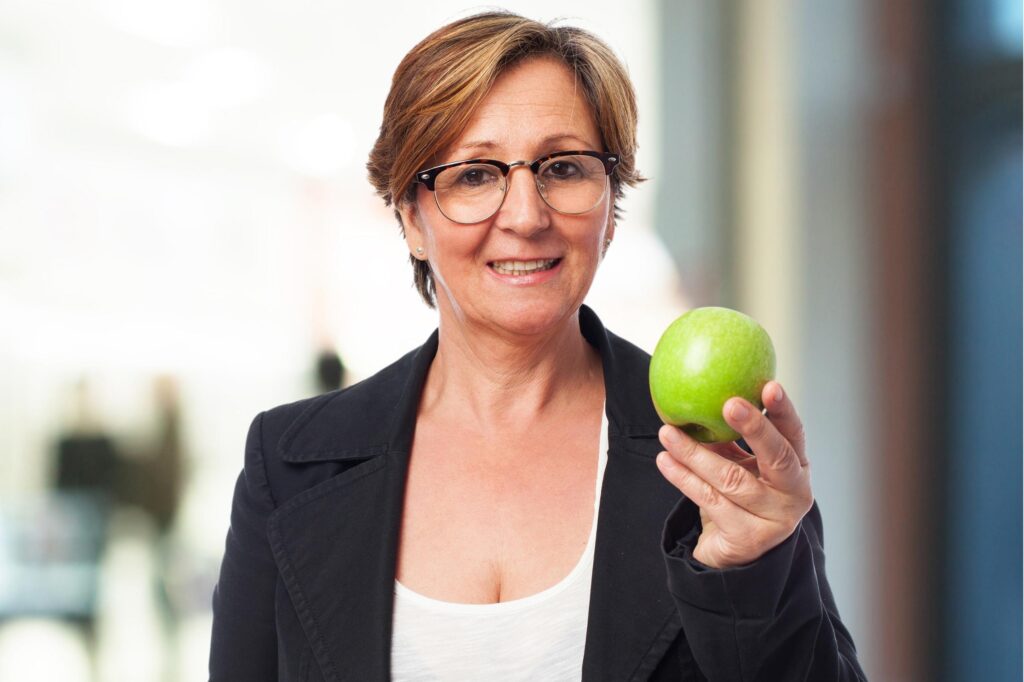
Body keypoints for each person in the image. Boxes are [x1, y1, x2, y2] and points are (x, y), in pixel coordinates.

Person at [209, 11, 866, 681]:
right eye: (473, 175)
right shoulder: (288, 467)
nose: (526, 216)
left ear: (610, 206)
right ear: (410, 217)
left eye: (563, 167)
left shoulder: (720, 459)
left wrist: (753, 575)